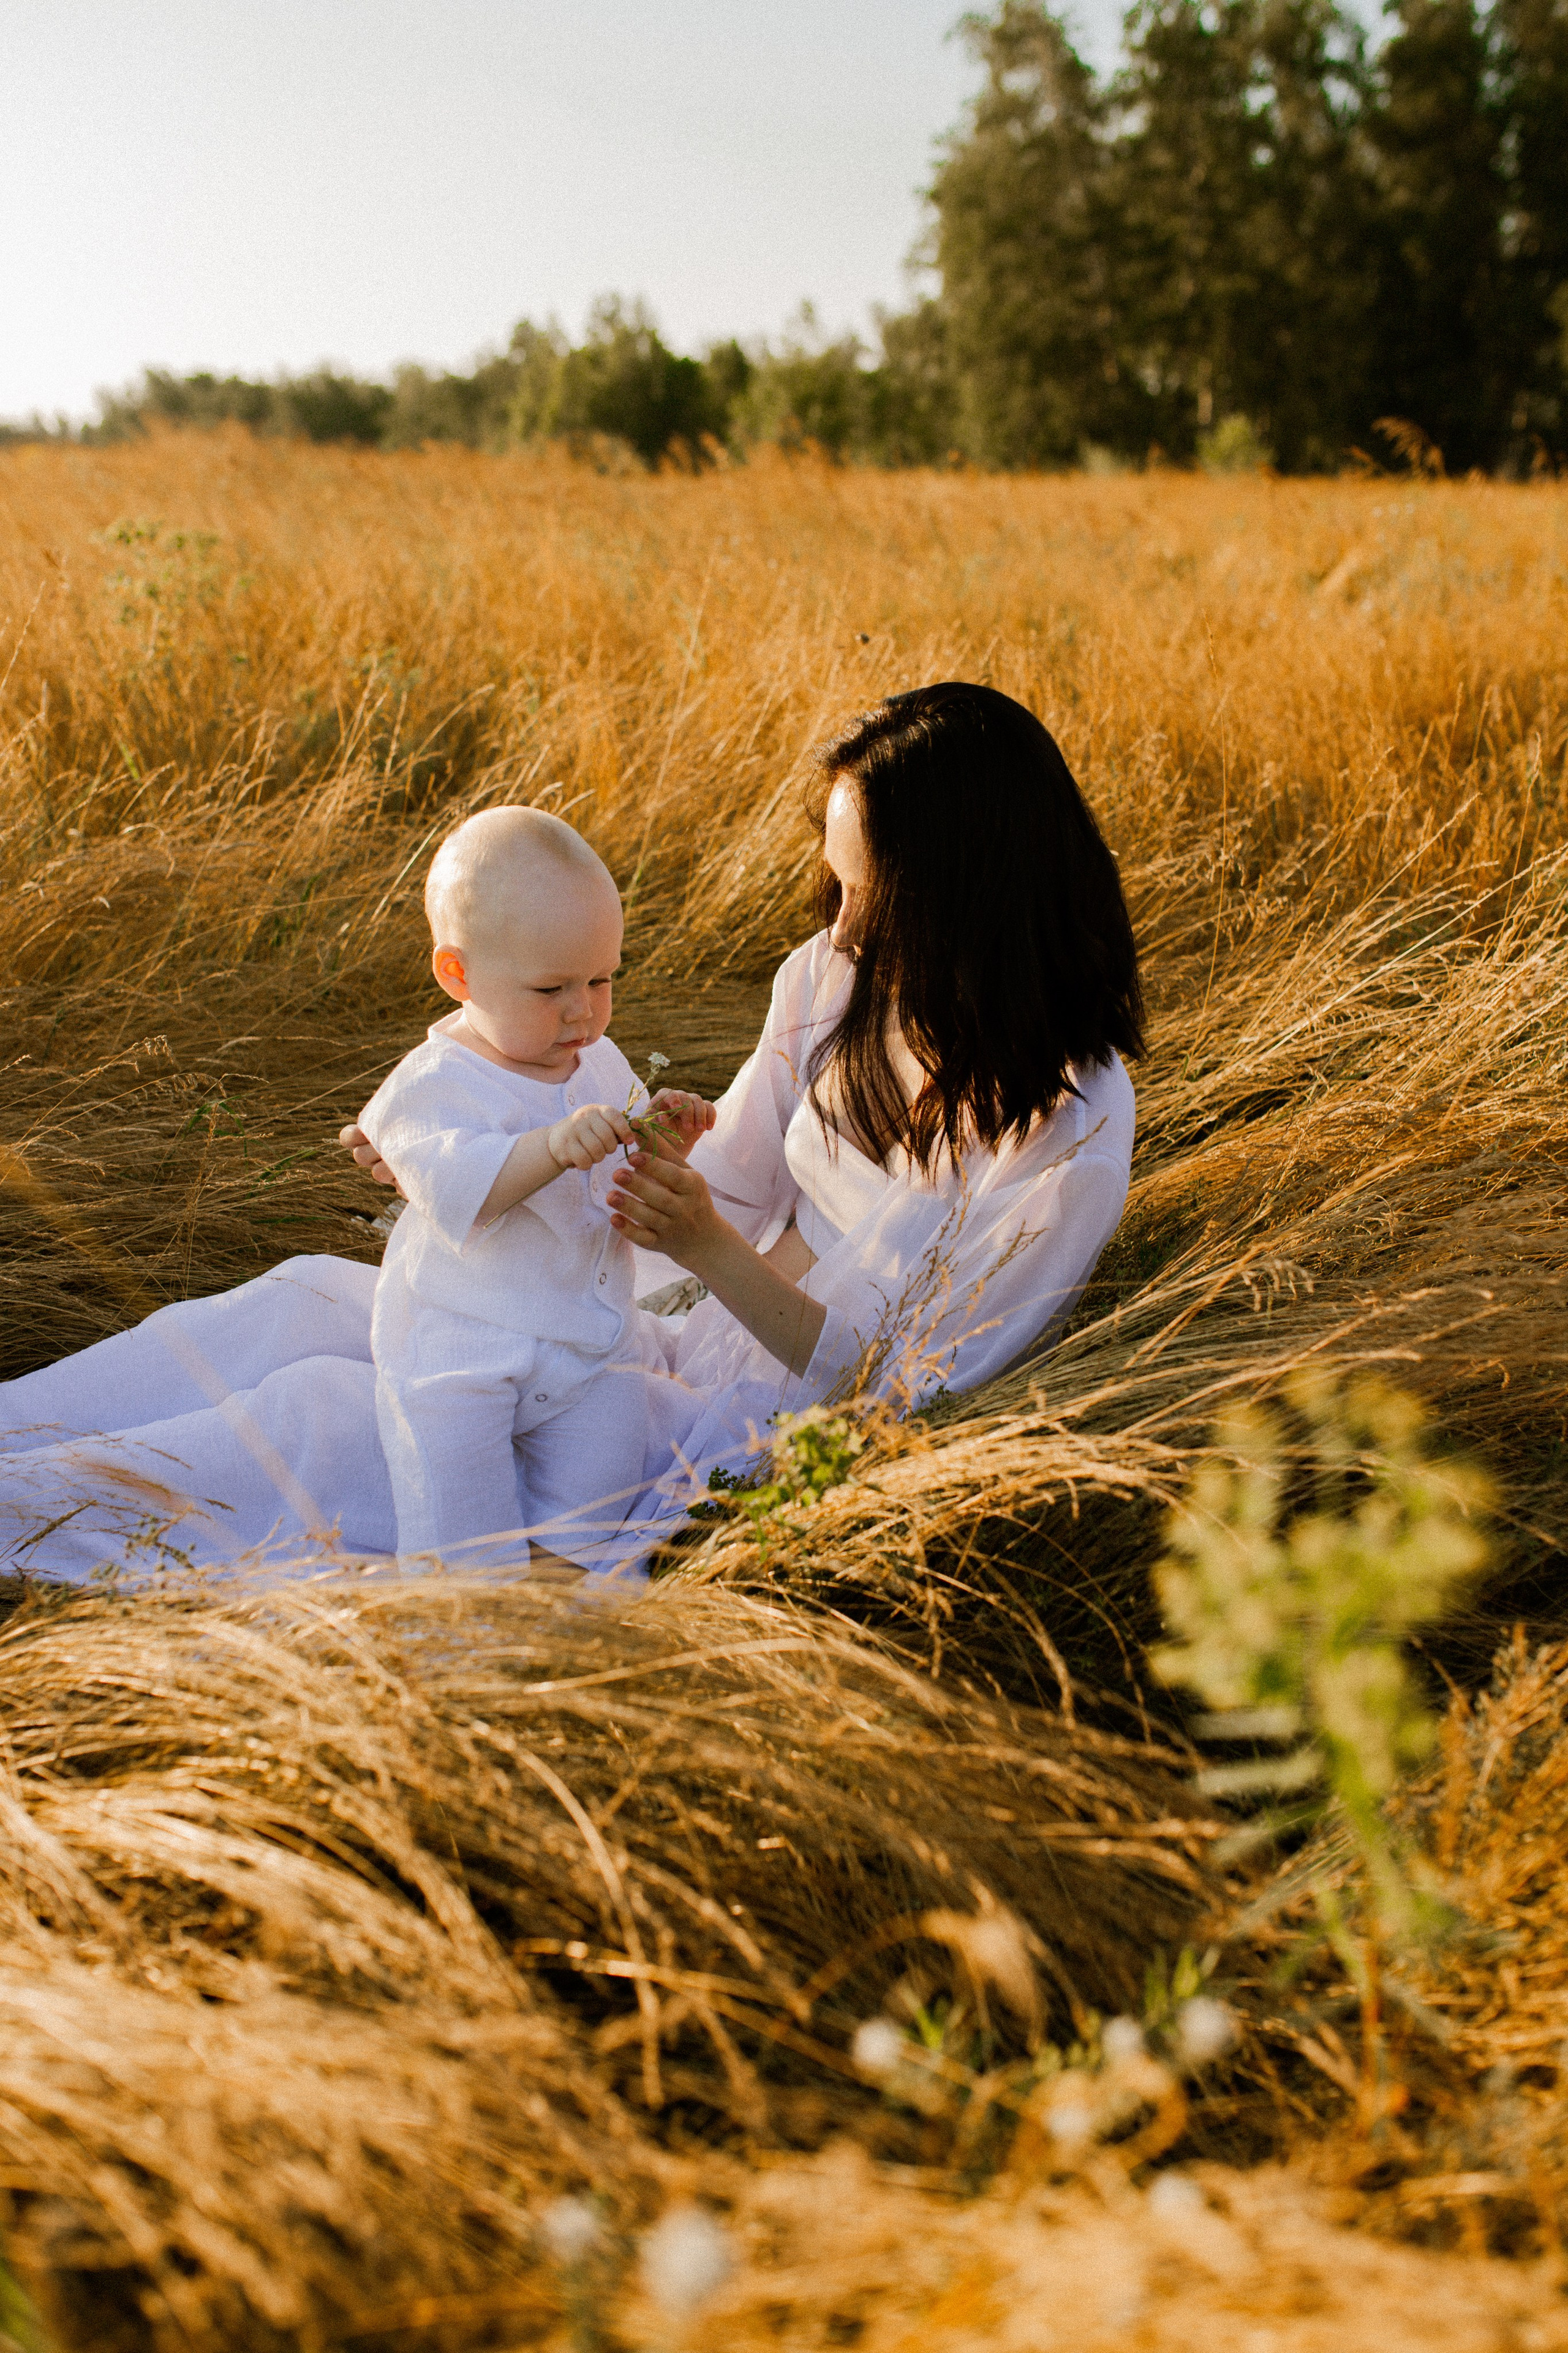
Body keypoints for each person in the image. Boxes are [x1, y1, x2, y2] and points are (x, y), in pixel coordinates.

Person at [0, 683, 1142, 1586]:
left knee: (327, 1416)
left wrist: (700, 1252)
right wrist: (486, 1160)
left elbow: (906, 1391)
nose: (836, 923)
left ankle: (25, 1521)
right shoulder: (832, 982)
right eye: (832, 885)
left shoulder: (1069, 1141)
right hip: (652, 1324)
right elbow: (734, 1183)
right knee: (307, 1302)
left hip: (747, 1425)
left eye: (865, 895)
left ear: (962, 902)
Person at [355, 804, 714, 1569]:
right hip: (462, 1337)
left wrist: (660, 1144)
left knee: (605, 1473)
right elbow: (458, 1188)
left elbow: (617, 1183)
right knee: (454, 1490)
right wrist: (549, 1147)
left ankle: (559, 1565)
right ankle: (473, 1595)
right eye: (551, 987)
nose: (582, 1009)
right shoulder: (431, 1084)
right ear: (460, 975)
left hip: (588, 1337)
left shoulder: (601, 1059)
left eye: (601, 978)